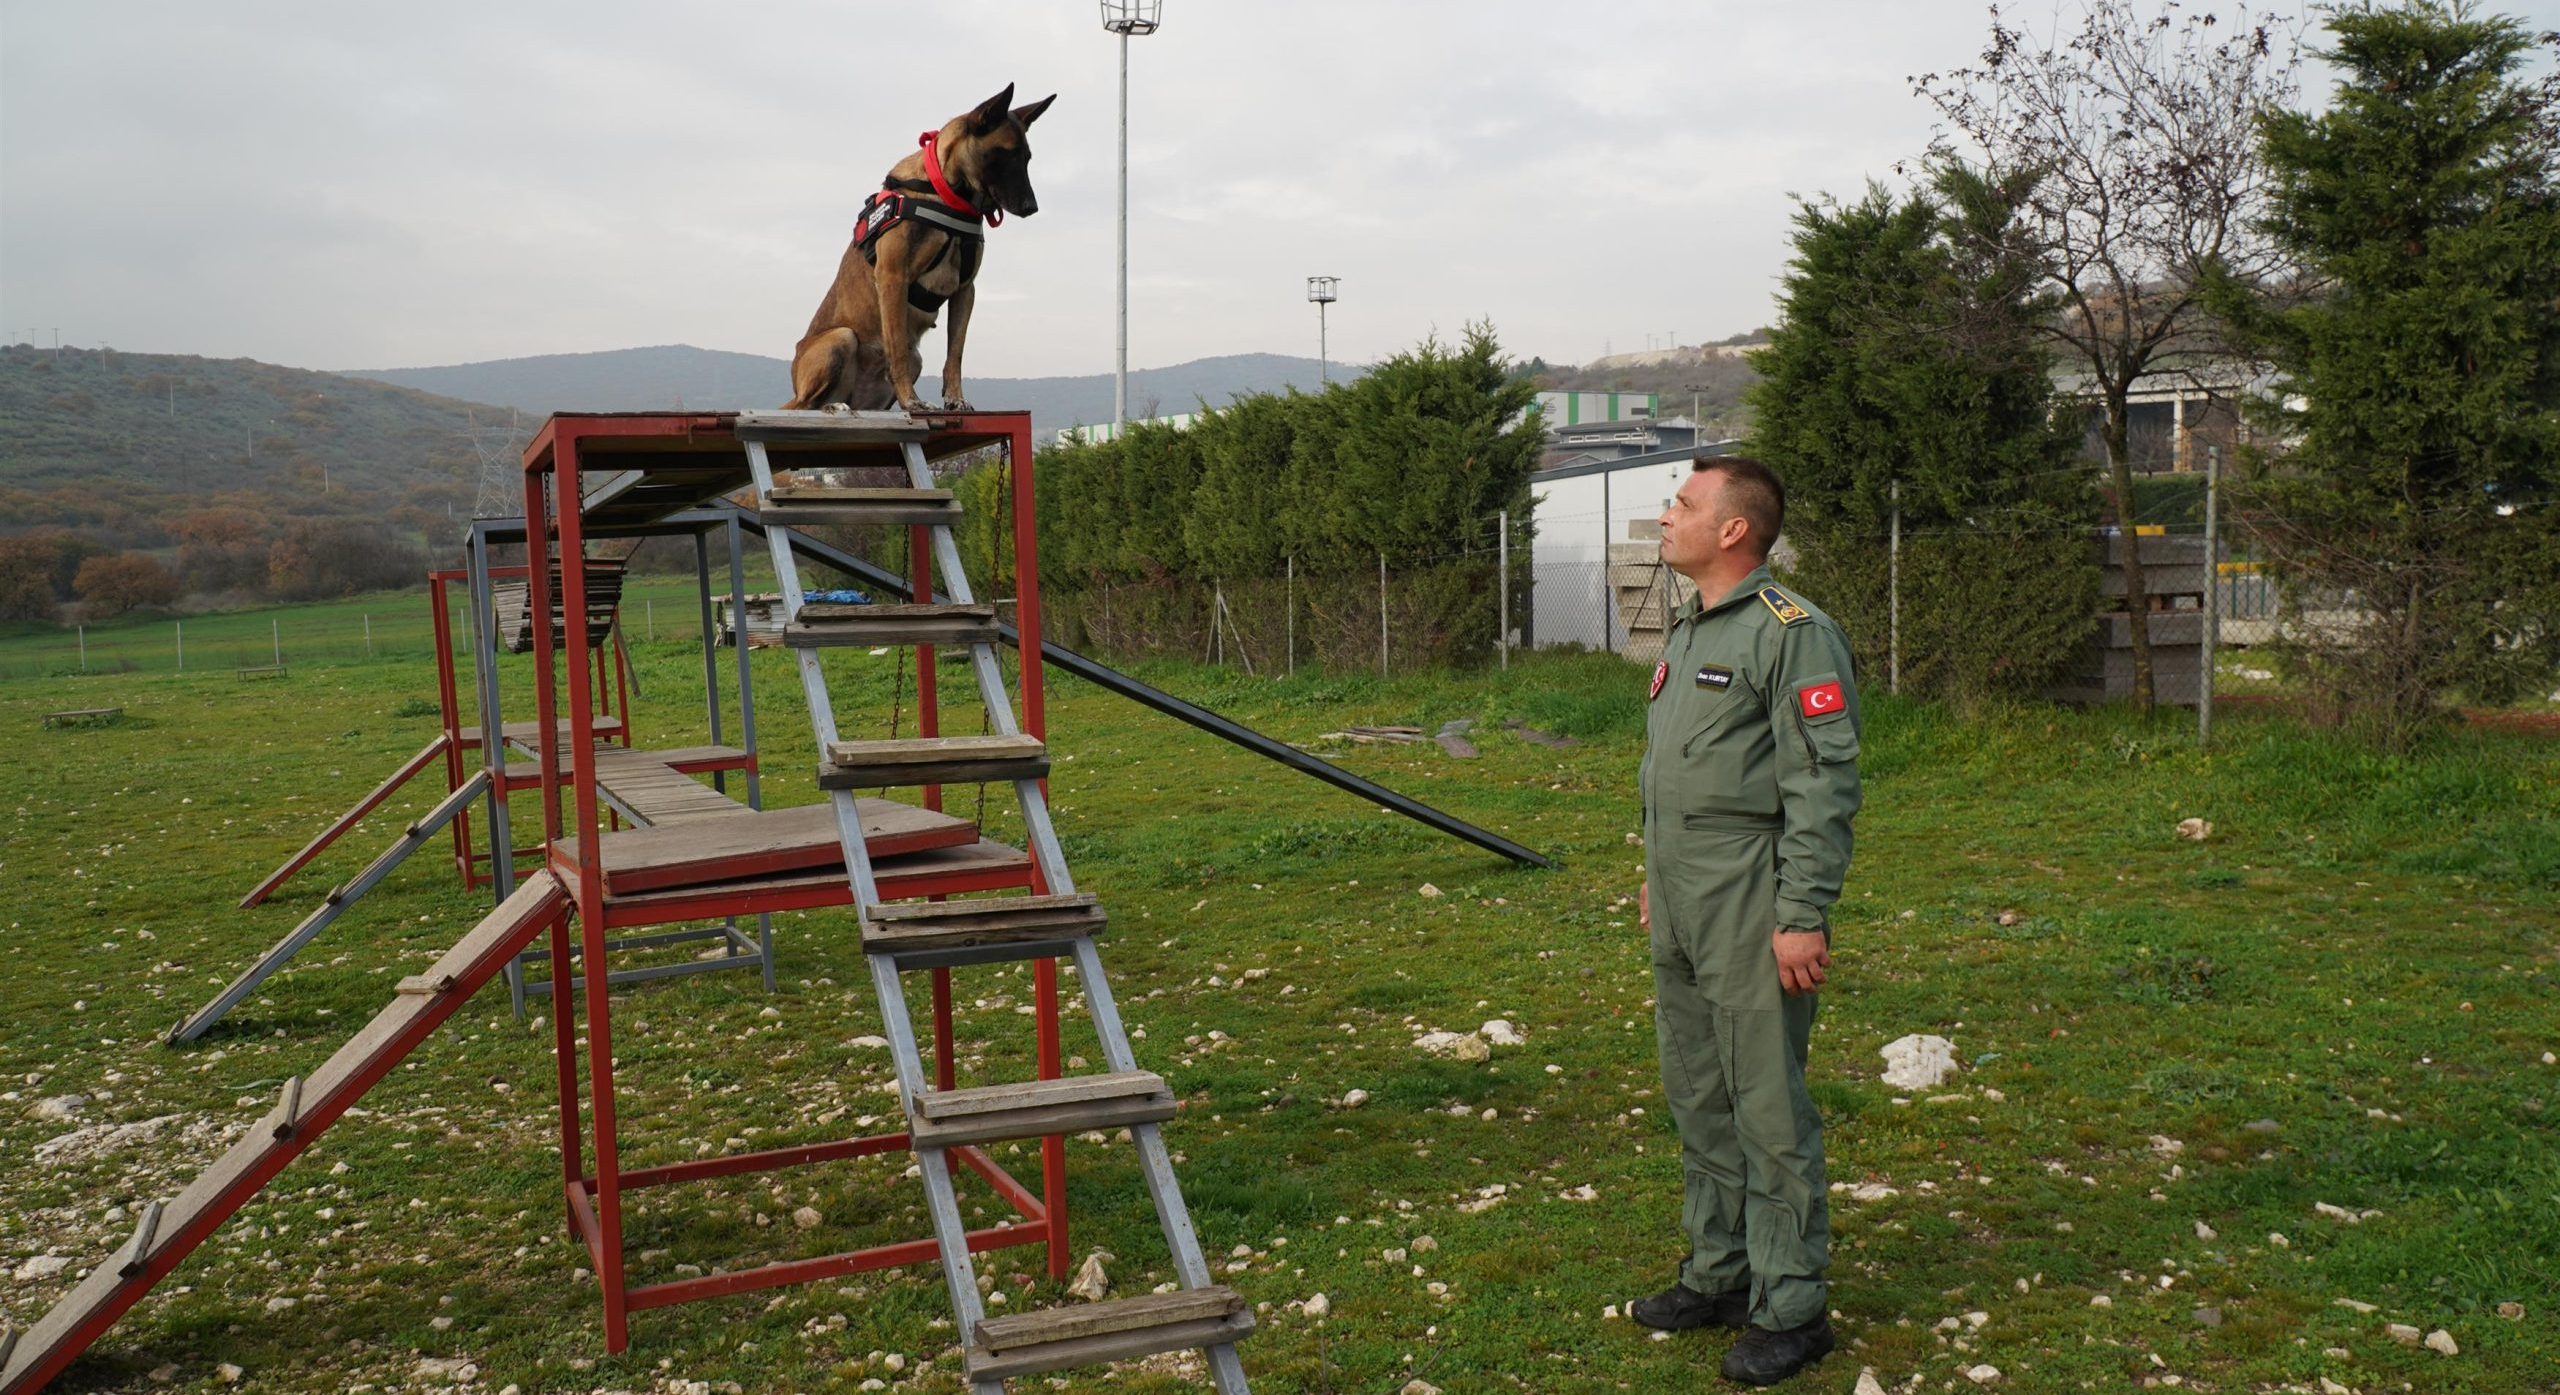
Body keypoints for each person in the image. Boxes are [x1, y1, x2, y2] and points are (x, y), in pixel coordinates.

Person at [1629, 455, 1862, 1387]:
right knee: (1698, 1089)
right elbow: (1674, 772)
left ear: (1734, 530)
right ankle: (1720, 1271)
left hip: (1752, 895)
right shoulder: (1689, 628)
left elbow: (1822, 781)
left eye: (1681, 504)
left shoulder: (1791, 634)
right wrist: (1657, 874)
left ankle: (1793, 1304)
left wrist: (1802, 912)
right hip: (1682, 894)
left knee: (1766, 1101)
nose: (1665, 515)